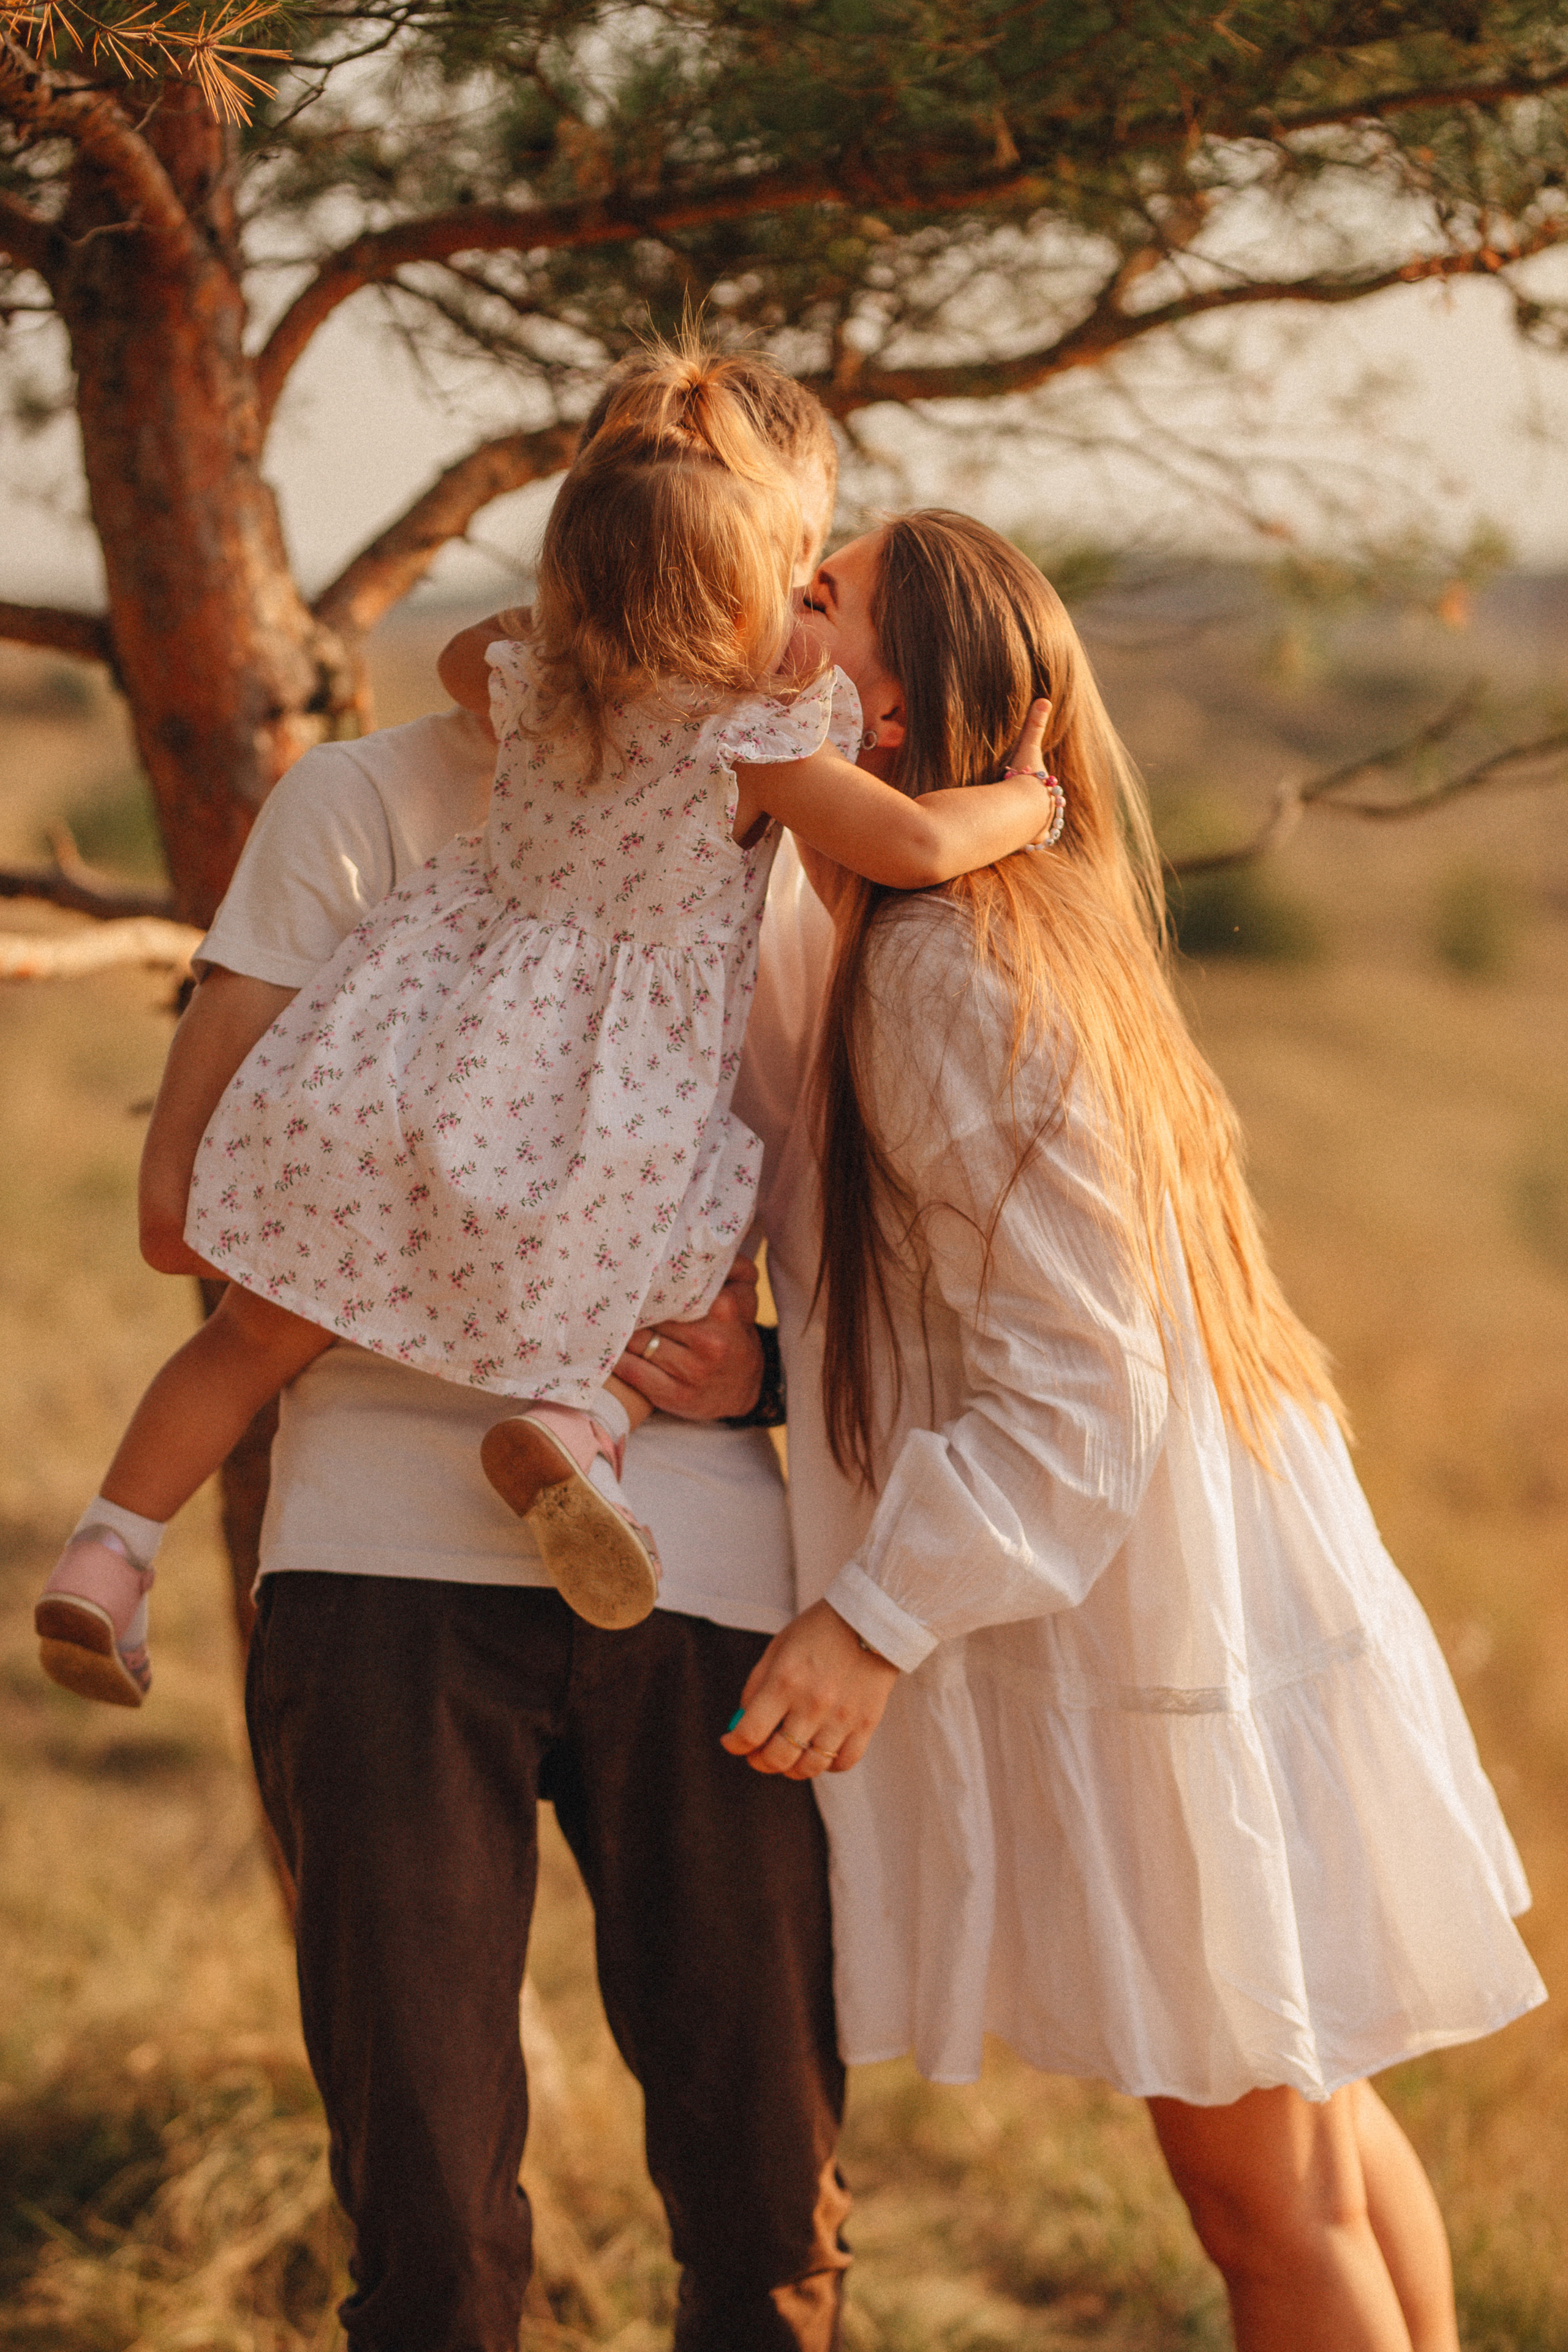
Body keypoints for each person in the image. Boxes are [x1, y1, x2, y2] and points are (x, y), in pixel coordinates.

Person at [100, 355, 863, 2352]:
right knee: (430, 2229)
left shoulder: (776, 852)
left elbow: (822, 1235)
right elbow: (189, 1206)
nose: (786, 622)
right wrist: (502, 1260)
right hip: (375, 1571)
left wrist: (759, 1377)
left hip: (694, 1564)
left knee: (768, 2208)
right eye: (774, 572)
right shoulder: (357, 805)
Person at [725, 511, 1546, 2352]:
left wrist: (875, 1618)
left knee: (1260, 2201)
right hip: (1222, 1566)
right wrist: (767, 1377)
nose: (778, 606)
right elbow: (986, 1312)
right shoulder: (1009, 922)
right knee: (1319, 2132)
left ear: (889, 705)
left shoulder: (939, 968)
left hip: (1151, 1602)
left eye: (820, 593)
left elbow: (1087, 1383)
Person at [36, 350, 1055, 1702]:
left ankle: (109, 1549)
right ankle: (578, 1429)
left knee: (247, 1335)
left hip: (421, 1056)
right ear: (751, 597)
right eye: (796, 580)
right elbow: (919, 840)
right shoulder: (759, 741)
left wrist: (607, 607)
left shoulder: (523, 678)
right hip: (606, 1093)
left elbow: (476, 646)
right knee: (680, 1240)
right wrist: (1032, 804)